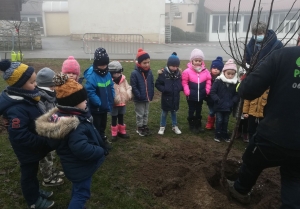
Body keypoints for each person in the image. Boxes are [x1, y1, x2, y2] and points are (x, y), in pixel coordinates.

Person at [227, 46, 300, 208]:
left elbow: (248, 90)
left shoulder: (283, 55)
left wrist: (244, 82)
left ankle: (240, 190)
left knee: (252, 160)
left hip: (275, 133)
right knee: (294, 178)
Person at [35, 73, 108, 209]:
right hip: (80, 167)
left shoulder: (63, 116)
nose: (86, 101)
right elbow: (81, 148)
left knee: (78, 189)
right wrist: (100, 150)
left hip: (73, 166)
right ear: (73, 103)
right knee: (82, 194)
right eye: (83, 99)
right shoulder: (75, 125)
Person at [0, 60, 55, 209]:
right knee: (28, 175)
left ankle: (35, 191)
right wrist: (41, 141)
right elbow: (19, 135)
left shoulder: (26, 97)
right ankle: (33, 200)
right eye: (32, 82)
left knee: (33, 172)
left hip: (33, 147)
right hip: (27, 150)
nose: (35, 85)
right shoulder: (17, 108)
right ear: (19, 85)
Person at [36, 68, 64, 187]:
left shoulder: (50, 94)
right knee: (45, 156)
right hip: (43, 132)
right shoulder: (41, 98)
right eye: (53, 85)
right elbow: (42, 115)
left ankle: (51, 170)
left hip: (51, 129)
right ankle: (47, 178)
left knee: (50, 153)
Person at [84, 47, 114, 147]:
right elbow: (90, 92)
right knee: (96, 125)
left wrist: (112, 97)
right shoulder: (92, 76)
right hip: (97, 108)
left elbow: (111, 86)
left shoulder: (108, 74)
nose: (104, 66)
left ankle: (102, 137)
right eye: (101, 65)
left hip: (105, 106)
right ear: (97, 63)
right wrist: (99, 102)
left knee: (103, 125)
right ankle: (97, 142)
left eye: (105, 64)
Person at [182, 48, 211, 133]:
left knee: (199, 110)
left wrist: (207, 90)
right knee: (191, 110)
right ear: (192, 61)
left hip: (201, 95)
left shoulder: (205, 71)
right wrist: (187, 92)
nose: (198, 62)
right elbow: (184, 82)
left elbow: (209, 80)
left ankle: (198, 124)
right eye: (196, 60)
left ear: (202, 61)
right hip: (191, 96)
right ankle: (191, 124)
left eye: (199, 60)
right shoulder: (187, 71)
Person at [210, 59, 239, 143]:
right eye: (228, 73)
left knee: (226, 120)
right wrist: (217, 99)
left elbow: (237, 94)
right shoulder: (218, 81)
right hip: (219, 106)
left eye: (232, 74)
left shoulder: (235, 83)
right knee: (219, 120)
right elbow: (213, 92)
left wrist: (233, 101)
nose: (230, 76)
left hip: (228, 106)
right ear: (224, 72)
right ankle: (218, 134)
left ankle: (224, 133)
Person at [155, 52, 183, 135]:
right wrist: (164, 89)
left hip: (175, 97)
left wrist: (179, 88)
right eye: (173, 66)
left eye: (176, 66)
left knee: (174, 112)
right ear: (168, 65)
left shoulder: (178, 74)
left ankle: (174, 126)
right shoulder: (163, 74)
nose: (175, 68)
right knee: (164, 112)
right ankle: (162, 126)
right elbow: (157, 84)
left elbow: (181, 83)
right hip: (166, 98)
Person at [130, 48, 154, 136]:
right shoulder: (134, 73)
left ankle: (144, 126)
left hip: (147, 97)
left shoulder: (150, 72)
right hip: (139, 98)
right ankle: (139, 127)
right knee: (140, 113)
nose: (147, 64)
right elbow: (133, 86)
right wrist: (138, 95)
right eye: (144, 63)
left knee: (146, 113)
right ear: (139, 63)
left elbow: (151, 83)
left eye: (148, 62)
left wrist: (151, 94)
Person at [108, 61, 132, 141]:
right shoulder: (109, 81)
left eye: (119, 72)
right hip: (114, 104)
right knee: (114, 118)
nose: (118, 74)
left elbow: (128, 87)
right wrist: (113, 99)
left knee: (121, 117)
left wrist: (128, 94)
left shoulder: (123, 79)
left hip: (122, 103)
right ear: (111, 73)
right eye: (116, 73)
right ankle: (114, 133)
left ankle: (122, 131)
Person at [205, 56, 224, 130]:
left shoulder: (222, 79)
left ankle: (218, 124)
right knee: (212, 111)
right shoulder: (208, 77)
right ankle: (210, 123)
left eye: (218, 69)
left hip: (218, 98)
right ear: (211, 69)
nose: (216, 70)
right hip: (209, 98)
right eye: (214, 68)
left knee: (218, 112)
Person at [233, 66, 249, 143]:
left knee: (246, 119)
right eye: (241, 75)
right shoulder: (238, 83)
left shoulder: (250, 83)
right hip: (239, 103)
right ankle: (238, 131)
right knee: (239, 119)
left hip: (247, 103)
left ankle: (245, 133)